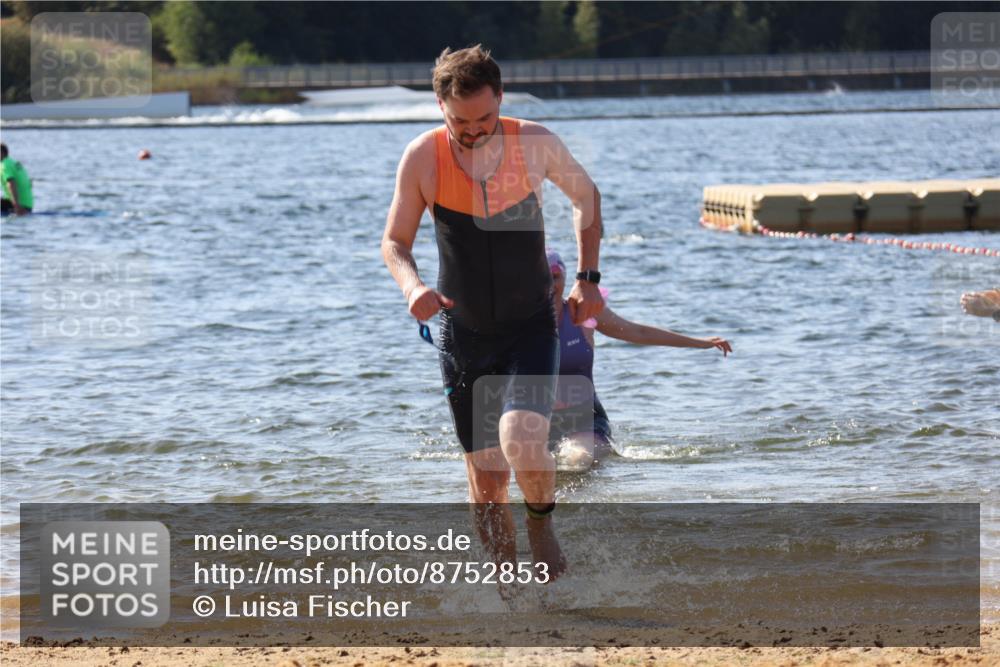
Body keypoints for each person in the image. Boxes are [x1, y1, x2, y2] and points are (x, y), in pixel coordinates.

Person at [381, 45, 604, 581]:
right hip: (465, 335)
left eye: (485, 118)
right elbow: (394, 242)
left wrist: (587, 278)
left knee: (523, 441)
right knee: (485, 482)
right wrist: (412, 288)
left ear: (500, 99)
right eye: (461, 121)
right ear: (440, 105)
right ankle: (509, 596)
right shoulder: (423, 157)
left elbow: (586, 198)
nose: (474, 131)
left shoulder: (533, 143)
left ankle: (541, 525)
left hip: (530, 325)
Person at [545, 249, 733, 472]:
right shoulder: (515, 322)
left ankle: (588, 506)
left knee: (577, 462)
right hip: (533, 421)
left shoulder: (581, 313)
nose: (548, 284)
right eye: (540, 277)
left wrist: (700, 342)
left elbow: (639, 332)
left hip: (584, 420)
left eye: (554, 277)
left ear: (565, 278)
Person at [1, 143, 34, 216]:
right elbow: (30, 184)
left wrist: (16, 205)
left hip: (20, 207)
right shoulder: (14, 163)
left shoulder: (4, 165)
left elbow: (11, 183)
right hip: (28, 205)